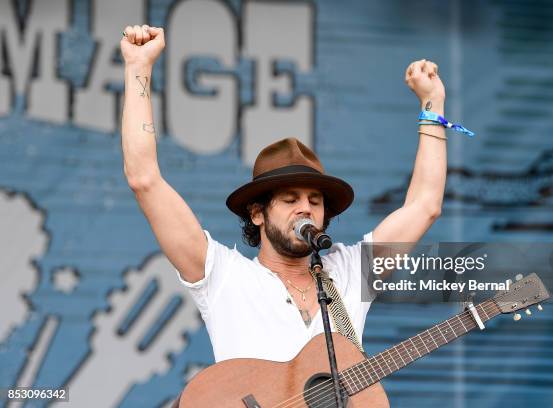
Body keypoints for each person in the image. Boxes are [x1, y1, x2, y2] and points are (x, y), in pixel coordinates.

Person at [120, 25, 447, 363]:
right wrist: (138, 67)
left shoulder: (349, 272)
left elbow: (425, 207)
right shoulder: (223, 276)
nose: (305, 208)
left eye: (315, 201)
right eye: (290, 200)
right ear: (256, 213)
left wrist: (432, 102)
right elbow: (144, 178)